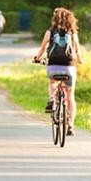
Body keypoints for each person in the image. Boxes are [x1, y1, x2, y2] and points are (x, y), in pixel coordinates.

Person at [33, 7, 82, 136]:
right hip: (69, 67)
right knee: (70, 96)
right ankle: (70, 124)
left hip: (53, 66)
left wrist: (37, 59)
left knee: (52, 83)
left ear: (54, 19)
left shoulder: (50, 32)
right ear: (70, 19)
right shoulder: (73, 33)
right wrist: (80, 60)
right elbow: (77, 51)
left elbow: (43, 48)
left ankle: (51, 99)